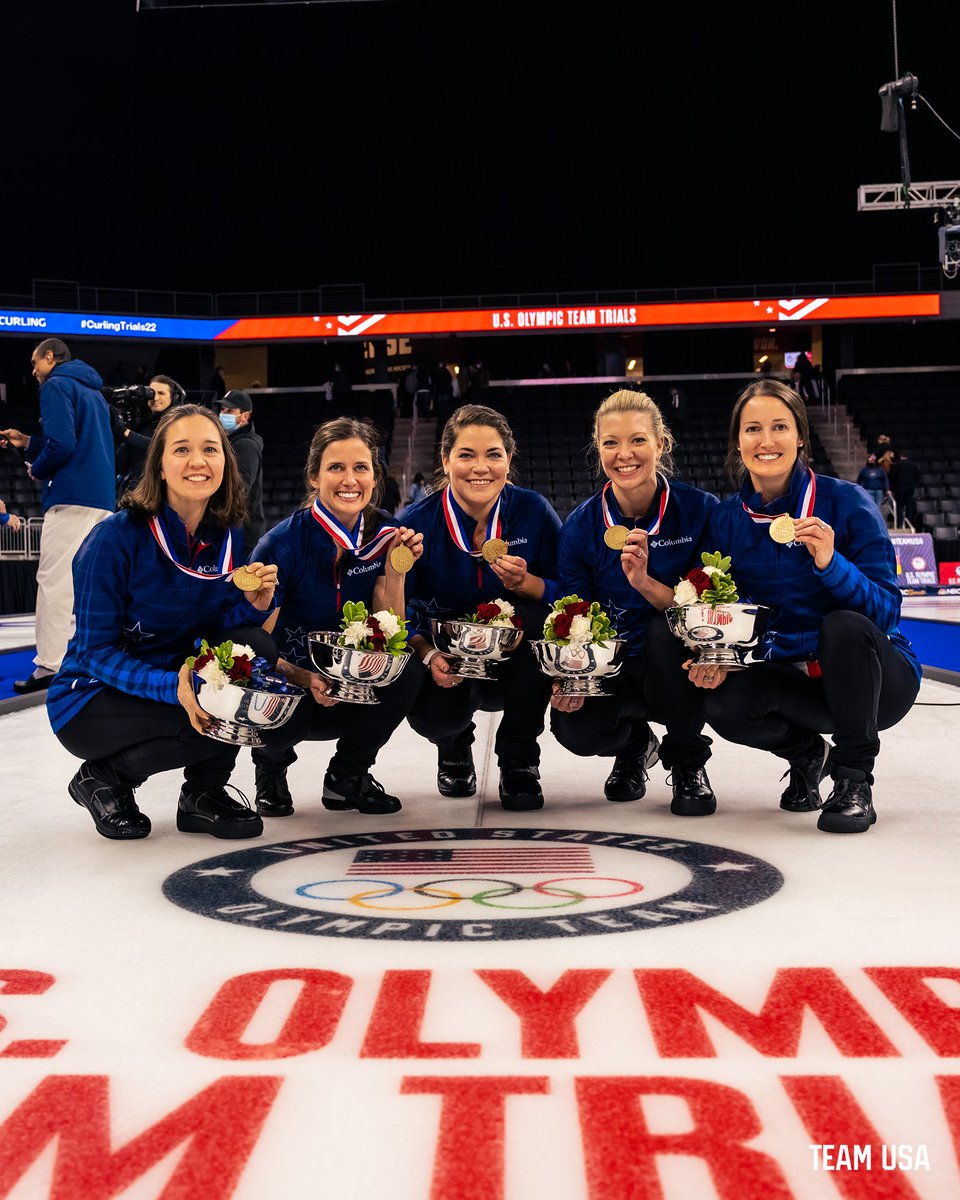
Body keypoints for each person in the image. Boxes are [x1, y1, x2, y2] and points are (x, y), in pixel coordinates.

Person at [689, 379, 921, 834]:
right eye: (753, 428)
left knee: (843, 626)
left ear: (800, 437)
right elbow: (725, 606)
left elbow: (887, 612)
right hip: (795, 680)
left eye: (780, 427)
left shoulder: (846, 502)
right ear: (738, 440)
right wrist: (714, 655)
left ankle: (854, 781)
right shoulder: (725, 519)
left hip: (875, 683)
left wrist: (831, 564)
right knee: (722, 702)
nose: (766, 440)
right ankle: (807, 754)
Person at [47, 404, 278, 841]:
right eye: (182, 450)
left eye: (211, 449)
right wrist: (173, 685)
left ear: (226, 463)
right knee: (213, 710)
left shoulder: (227, 533)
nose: (198, 461)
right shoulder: (115, 538)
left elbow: (220, 629)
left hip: (176, 678)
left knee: (255, 653)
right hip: (92, 699)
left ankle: (202, 796)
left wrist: (253, 606)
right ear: (159, 465)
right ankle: (103, 777)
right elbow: (95, 653)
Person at [549, 389, 719, 814]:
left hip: (680, 666)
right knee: (573, 728)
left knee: (665, 633)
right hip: (616, 668)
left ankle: (687, 762)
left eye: (638, 440)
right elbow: (576, 618)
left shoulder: (700, 511)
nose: (624, 454)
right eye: (611, 442)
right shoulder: (580, 527)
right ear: (598, 447)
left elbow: (709, 611)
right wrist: (571, 677)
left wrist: (645, 584)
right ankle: (635, 745)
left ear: (661, 444)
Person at [249, 418, 424, 817]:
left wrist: (396, 575)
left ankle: (347, 776)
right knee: (267, 682)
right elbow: (256, 648)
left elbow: (390, 632)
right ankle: (270, 767)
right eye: (336, 468)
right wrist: (302, 677)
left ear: (374, 476)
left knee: (408, 670)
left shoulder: (387, 533)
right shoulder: (281, 544)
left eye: (361, 467)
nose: (350, 479)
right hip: (293, 690)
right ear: (314, 476)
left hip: (353, 686)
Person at [402, 403, 561, 811]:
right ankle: (453, 746)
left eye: (493, 454)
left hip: (517, 659)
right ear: (445, 460)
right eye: (466, 455)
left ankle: (519, 759)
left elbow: (572, 592)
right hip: (449, 657)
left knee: (539, 617)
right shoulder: (415, 521)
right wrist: (426, 652)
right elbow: (397, 610)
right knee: (436, 717)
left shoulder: (533, 511)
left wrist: (530, 584)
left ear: (509, 459)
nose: (480, 467)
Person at [0, 339, 115, 694]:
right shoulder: (92, 392)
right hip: (100, 499)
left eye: (35, 363)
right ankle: (91, 659)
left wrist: (39, 466)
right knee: (88, 587)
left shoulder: (56, 385)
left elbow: (62, 445)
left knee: (53, 583)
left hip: (72, 497)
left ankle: (50, 666)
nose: (33, 371)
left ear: (50, 358)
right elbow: (72, 440)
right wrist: (28, 442)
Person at [115, 375, 186, 496]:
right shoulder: (141, 424)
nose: (155, 397)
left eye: (161, 393)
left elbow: (162, 446)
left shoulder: (180, 423)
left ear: (173, 398)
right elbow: (119, 463)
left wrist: (126, 433)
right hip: (131, 494)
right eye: (151, 393)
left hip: (160, 496)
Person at [216, 390, 265, 551]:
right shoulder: (232, 441)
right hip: (234, 528)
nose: (223, 414)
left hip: (243, 534)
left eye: (230, 410)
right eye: (222, 410)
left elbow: (240, 488)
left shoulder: (246, 445)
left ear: (245, 416)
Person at [889, 452, 921, 528]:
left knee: (900, 505)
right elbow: (918, 476)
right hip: (910, 487)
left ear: (901, 456)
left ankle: (900, 523)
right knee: (909, 506)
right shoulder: (913, 465)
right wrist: (914, 484)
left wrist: (892, 487)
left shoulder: (897, 464)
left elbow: (892, 476)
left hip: (900, 487)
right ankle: (909, 523)